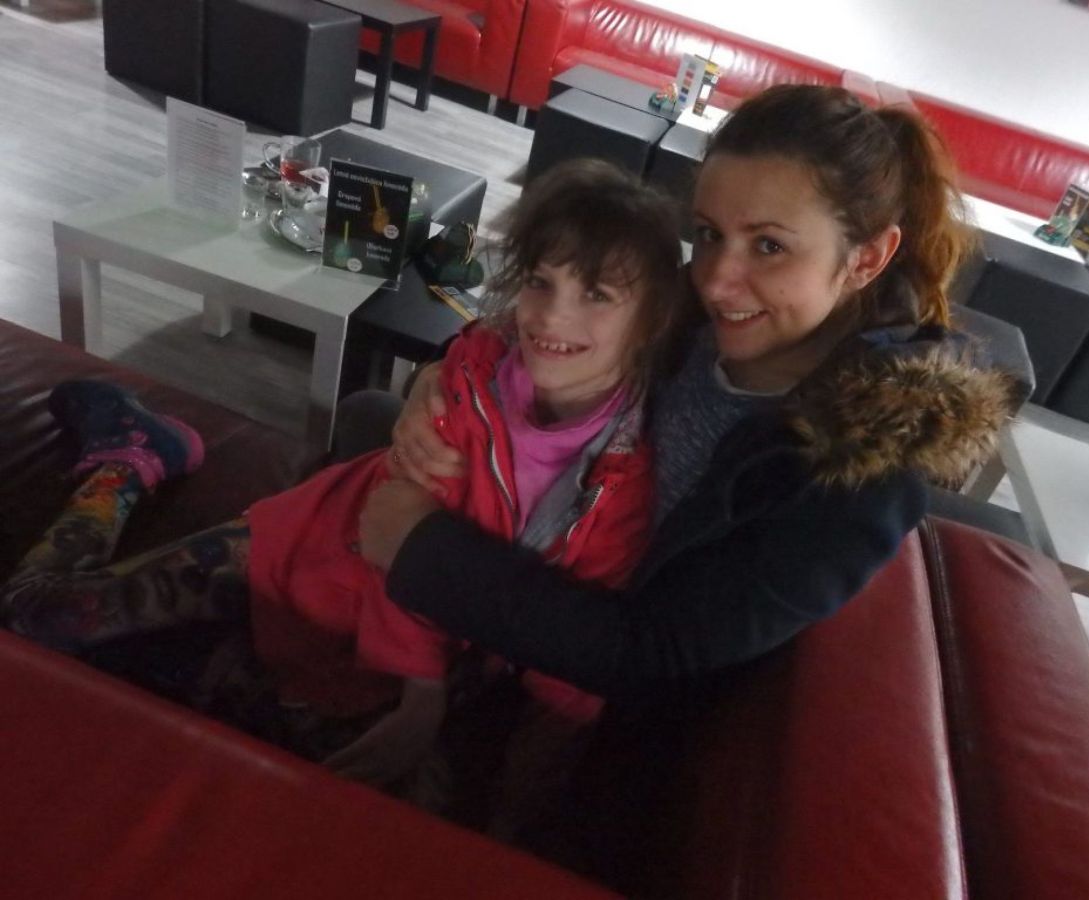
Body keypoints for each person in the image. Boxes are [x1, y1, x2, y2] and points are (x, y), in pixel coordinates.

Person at [0, 160, 684, 805]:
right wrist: (422, 690)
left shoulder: (621, 481)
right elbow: (395, 539)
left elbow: (572, 660)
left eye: (596, 294)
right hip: (308, 547)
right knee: (38, 615)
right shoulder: (471, 379)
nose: (552, 317)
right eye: (540, 281)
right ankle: (129, 457)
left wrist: (521, 801)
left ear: (651, 320)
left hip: (387, 644)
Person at [357, 84, 1018, 702]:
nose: (719, 281)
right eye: (708, 234)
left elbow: (650, 651)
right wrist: (434, 381)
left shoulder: (856, 478)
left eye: (769, 246)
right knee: (368, 414)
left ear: (866, 259)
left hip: (573, 664)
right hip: (539, 523)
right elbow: (540, 330)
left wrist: (420, 546)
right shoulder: (694, 315)